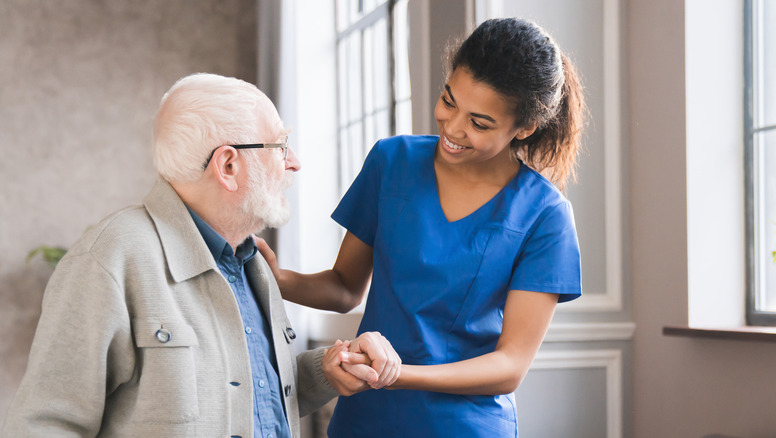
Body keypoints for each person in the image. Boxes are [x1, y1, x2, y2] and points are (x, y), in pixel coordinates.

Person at [1, 73, 399, 438]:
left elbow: (249, 395)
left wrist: (328, 369)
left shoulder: (252, 263)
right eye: (280, 146)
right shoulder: (109, 259)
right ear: (228, 165)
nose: (293, 162)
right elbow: (44, 425)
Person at [257, 17, 586, 437]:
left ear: (524, 128)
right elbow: (344, 288)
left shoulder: (546, 215)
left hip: (463, 425)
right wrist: (276, 279)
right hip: (366, 417)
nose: (452, 128)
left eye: (480, 123)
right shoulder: (391, 162)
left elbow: (509, 366)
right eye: (449, 101)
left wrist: (398, 374)